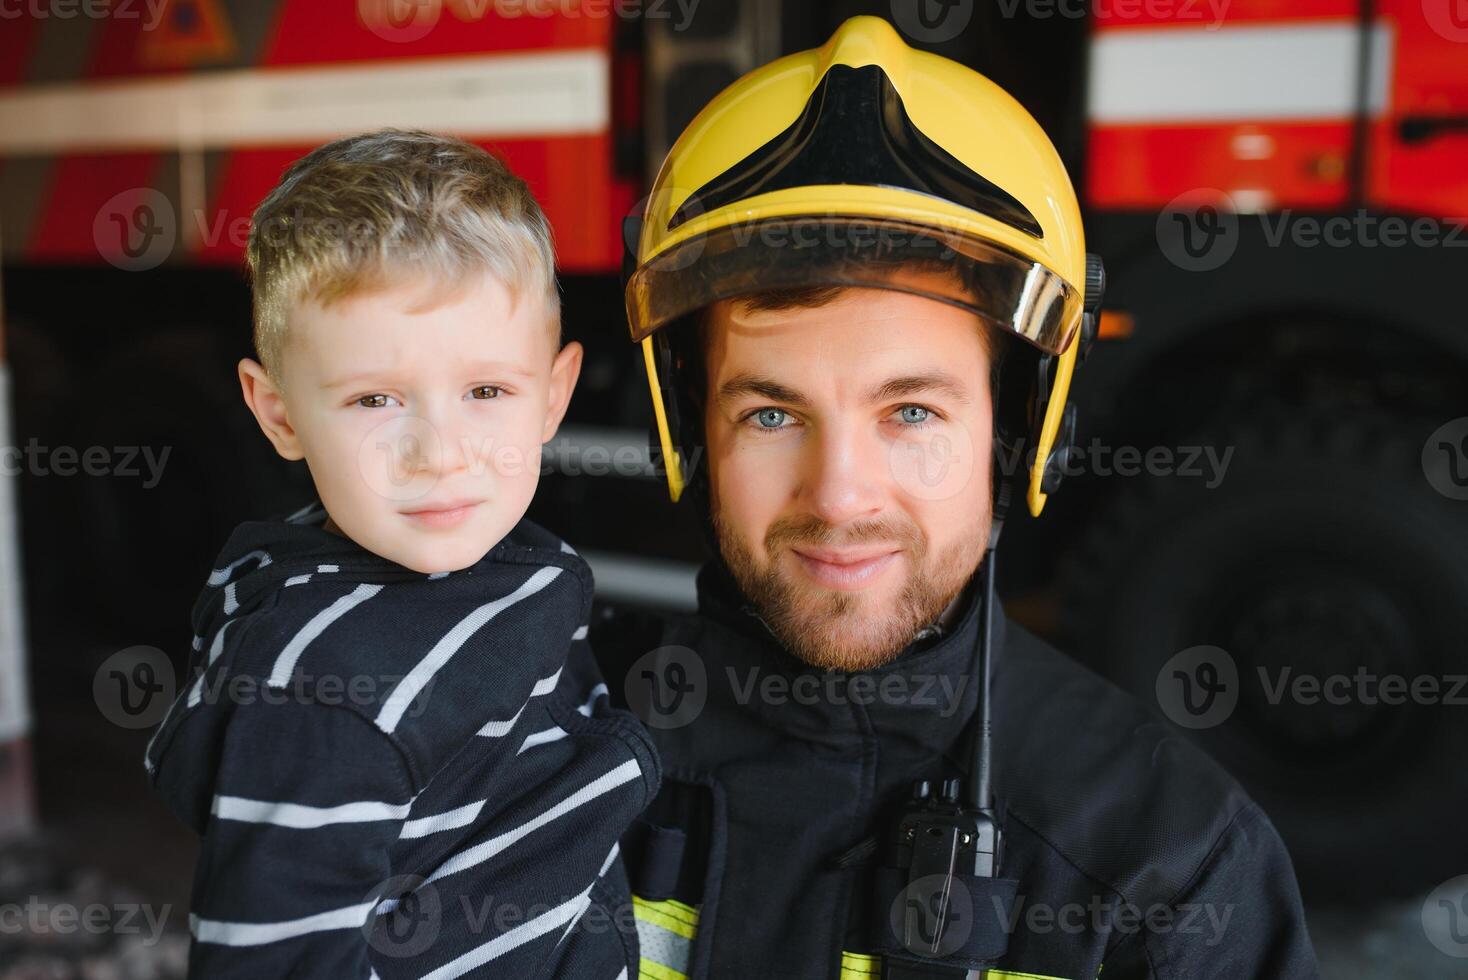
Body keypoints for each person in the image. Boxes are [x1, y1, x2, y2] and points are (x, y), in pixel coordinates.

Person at [597, 17, 1321, 980]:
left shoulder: (1169, 875)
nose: (840, 494)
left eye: (910, 413)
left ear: (1017, 431)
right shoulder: (554, 767)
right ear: (690, 429)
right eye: (772, 415)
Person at [144, 130, 657, 978]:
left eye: (486, 391)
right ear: (277, 414)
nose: (439, 452)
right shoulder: (320, 700)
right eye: (375, 398)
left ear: (555, 394)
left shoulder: (511, 564)